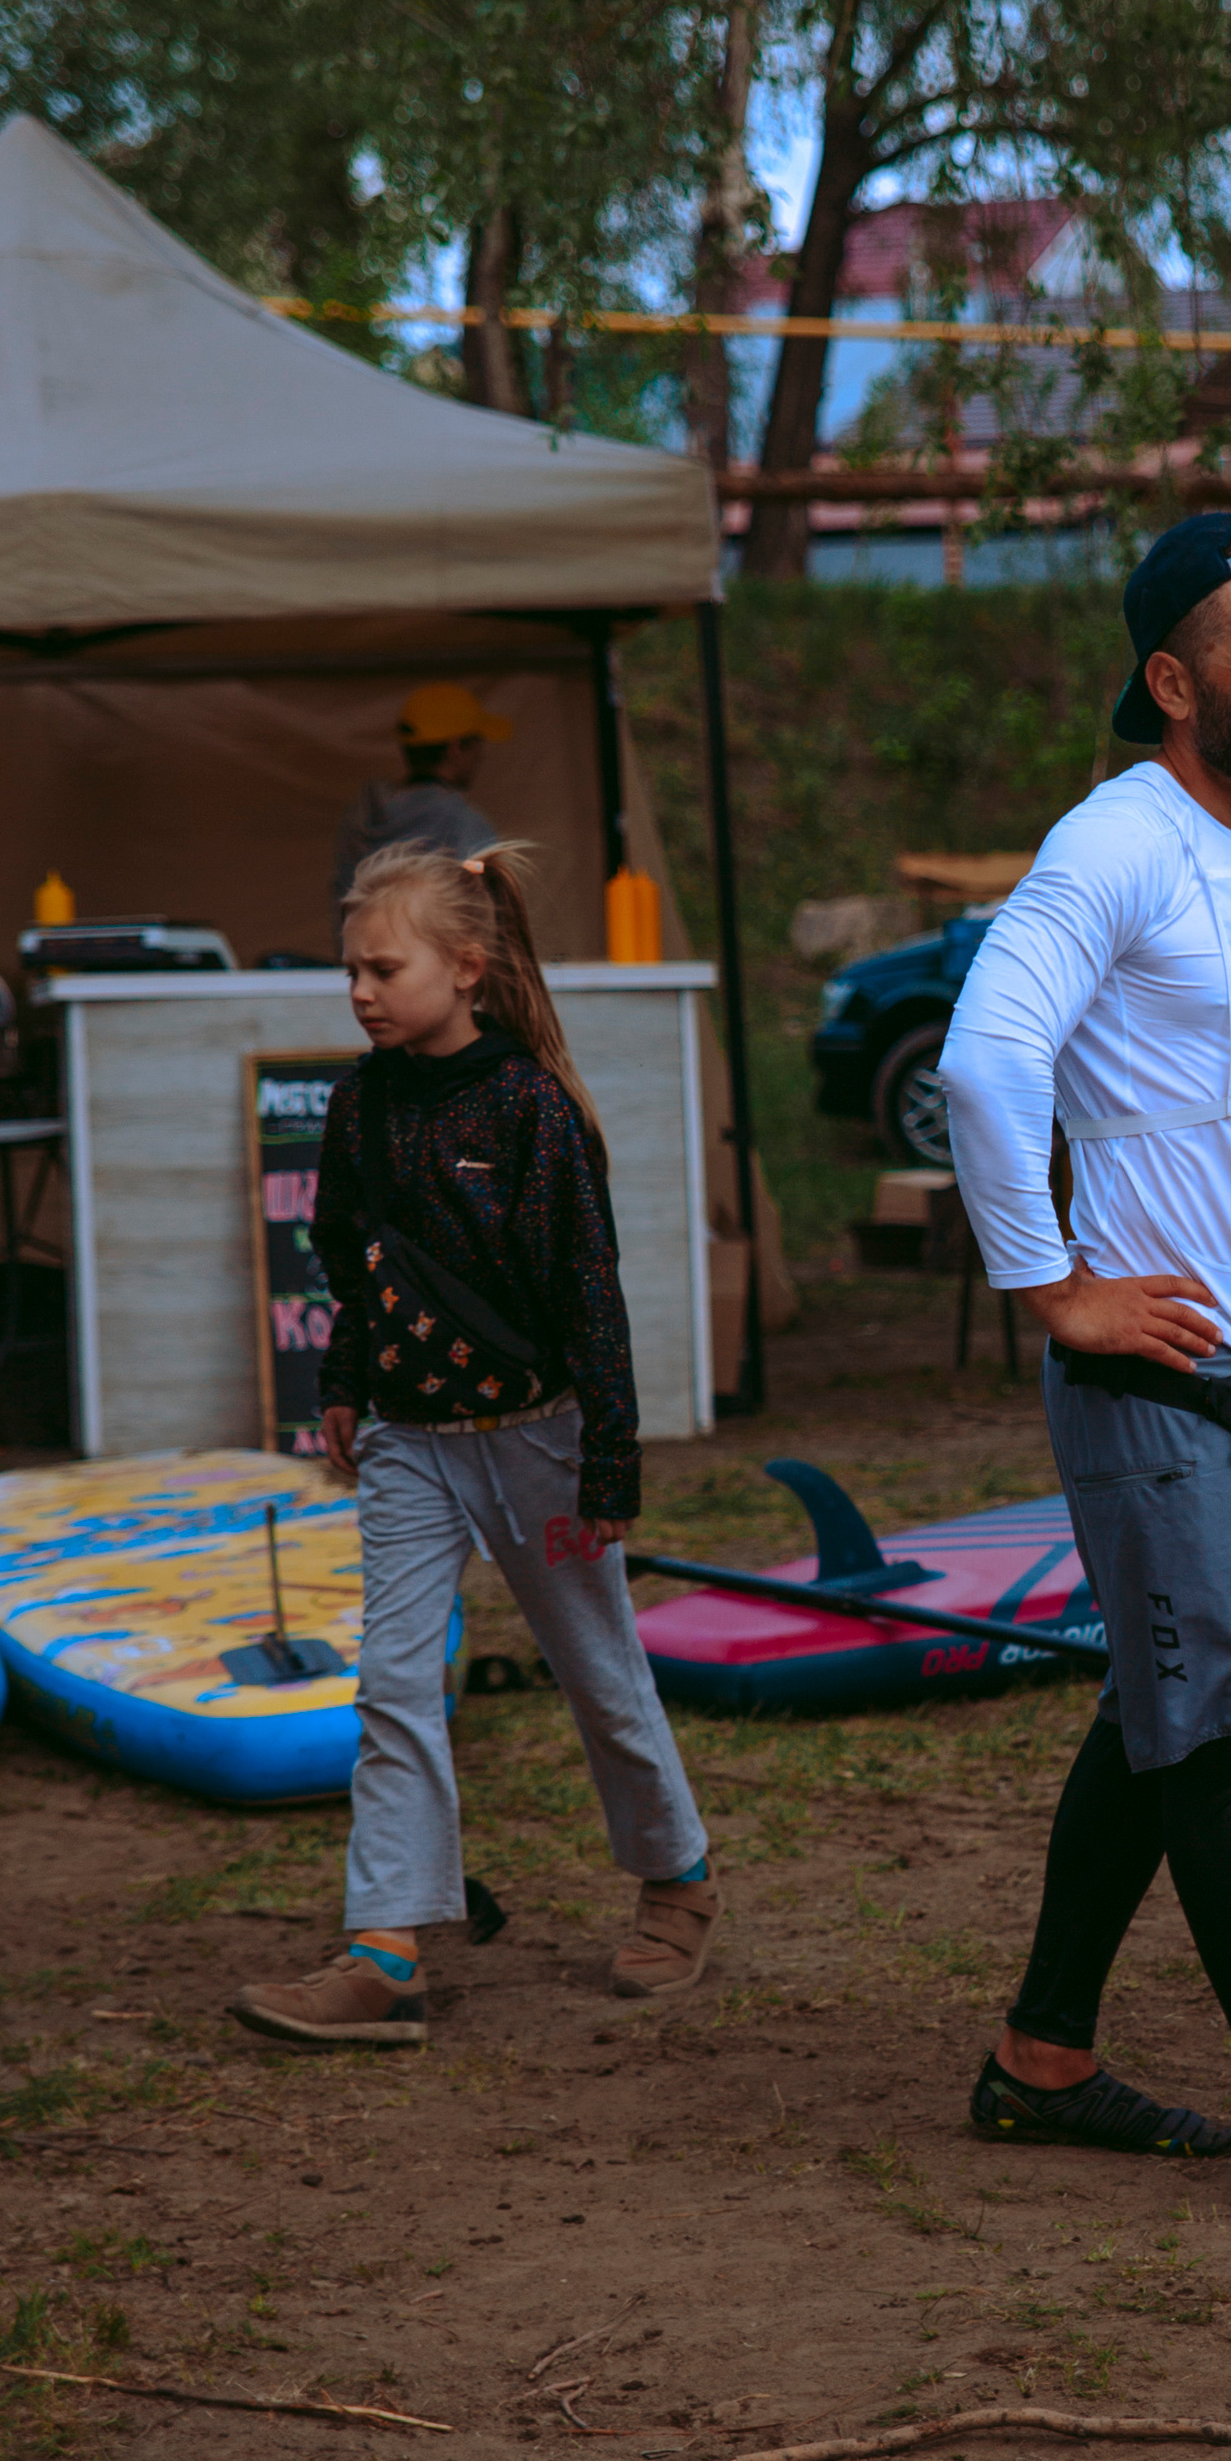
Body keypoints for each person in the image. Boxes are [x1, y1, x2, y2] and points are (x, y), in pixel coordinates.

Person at [936, 511, 1231, 2234]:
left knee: (1164, 1712)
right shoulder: (1114, 843)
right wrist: (1053, 1288)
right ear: (1170, 678)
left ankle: (1043, 2054)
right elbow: (988, 1060)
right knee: (1219, 1728)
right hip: (1166, 1376)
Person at [231, 837, 717, 2047]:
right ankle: (384, 1948)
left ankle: (678, 1875)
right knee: (394, 1683)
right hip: (410, 1444)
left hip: (540, 1442)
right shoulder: (358, 1101)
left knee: (600, 1675)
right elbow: (349, 1256)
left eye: (380, 967)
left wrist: (612, 1458)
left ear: (466, 967)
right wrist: (345, 1380)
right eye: (349, 969)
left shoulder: (530, 1107)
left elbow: (588, 1290)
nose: (358, 990)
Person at [329, 680, 510, 926]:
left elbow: (343, 902)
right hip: (440, 960)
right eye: (478, 741)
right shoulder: (465, 824)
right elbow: (488, 915)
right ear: (456, 747)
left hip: (366, 955)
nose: (482, 753)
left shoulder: (360, 816)